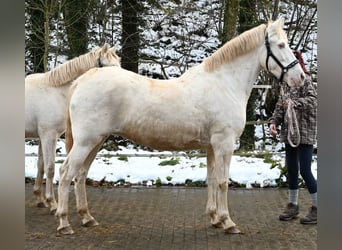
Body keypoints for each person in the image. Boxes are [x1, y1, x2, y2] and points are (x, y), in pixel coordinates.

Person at [268, 50, 317, 224]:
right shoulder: (286, 85)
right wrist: (273, 122)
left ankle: (318, 207)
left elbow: (314, 101)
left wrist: (295, 104)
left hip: (304, 133)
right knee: (292, 170)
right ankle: (293, 205)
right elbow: (280, 108)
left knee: (305, 170)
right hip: (290, 134)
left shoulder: (307, 82)